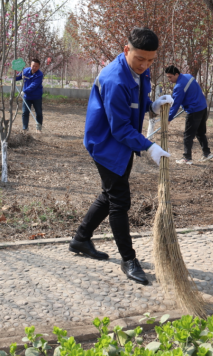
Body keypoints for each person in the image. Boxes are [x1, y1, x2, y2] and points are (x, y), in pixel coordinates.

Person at [69, 28, 173, 285]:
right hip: (106, 143)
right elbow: (119, 127)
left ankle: (81, 239)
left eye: (151, 60)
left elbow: (134, 103)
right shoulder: (114, 79)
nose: (145, 65)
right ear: (126, 50)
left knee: (109, 194)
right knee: (119, 200)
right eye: (140, 59)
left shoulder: (139, 70)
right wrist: (148, 147)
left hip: (122, 143)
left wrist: (151, 106)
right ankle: (129, 259)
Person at [165, 65, 213, 165]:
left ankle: (187, 158)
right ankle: (207, 153)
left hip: (194, 110)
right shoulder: (189, 76)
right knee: (200, 132)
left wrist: (169, 118)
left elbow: (175, 104)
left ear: (176, 74)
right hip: (203, 107)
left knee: (188, 135)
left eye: (170, 77)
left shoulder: (179, 87)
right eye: (168, 77)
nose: (169, 79)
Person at [15, 59, 44, 133]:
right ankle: (25, 128)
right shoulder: (25, 71)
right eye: (33, 66)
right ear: (30, 65)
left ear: (39, 66)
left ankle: (38, 129)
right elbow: (19, 77)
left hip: (36, 96)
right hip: (27, 97)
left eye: (36, 66)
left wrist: (24, 91)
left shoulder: (39, 75)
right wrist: (14, 78)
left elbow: (34, 85)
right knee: (25, 112)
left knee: (39, 112)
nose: (34, 68)